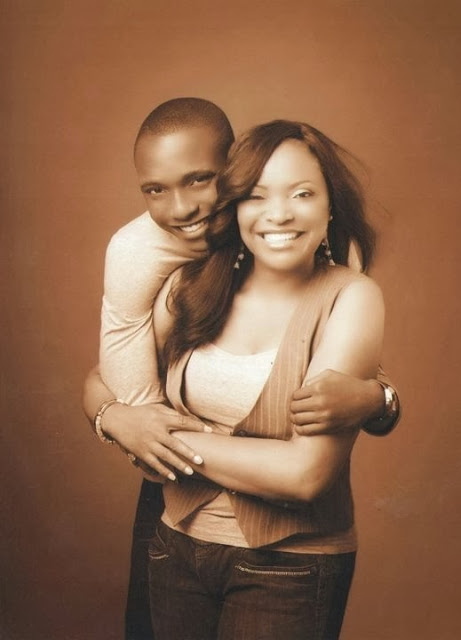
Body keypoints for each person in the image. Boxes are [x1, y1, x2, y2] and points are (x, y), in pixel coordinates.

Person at [82, 99, 400, 639]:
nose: (278, 213)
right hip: (176, 533)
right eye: (257, 195)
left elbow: (305, 470)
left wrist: (378, 397)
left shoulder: (341, 279)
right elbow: (104, 378)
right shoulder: (182, 276)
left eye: (302, 194)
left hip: (287, 560)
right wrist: (116, 418)